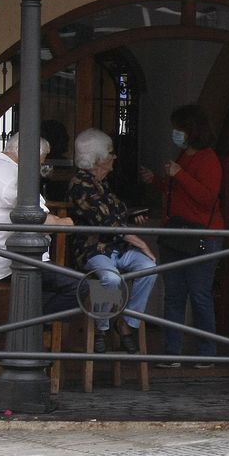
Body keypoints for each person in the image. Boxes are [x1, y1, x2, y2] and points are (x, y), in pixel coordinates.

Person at [141, 104, 224, 366]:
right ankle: (172, 352)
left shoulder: (208, 158)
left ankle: (207, 352)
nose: (175, 133)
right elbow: (177, 191)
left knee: (199, 295)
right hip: (176, 233)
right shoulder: (185, 155)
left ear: (191, 130)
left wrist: (180, 175)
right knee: (174, 295)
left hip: (201, 236)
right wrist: (157, 180)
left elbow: (207, 198)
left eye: (179, 128)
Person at [0, 132, 80, 315]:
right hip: (8, 262)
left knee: (50, 288)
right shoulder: (12, 175)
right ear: (28, 155)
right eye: (40, 161)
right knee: (80, 286)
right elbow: (40, 219)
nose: (39, 167)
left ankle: (27, 320)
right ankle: (27, 321)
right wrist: (64, 222)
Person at [68, 128, 158, 354]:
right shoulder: (81, 184)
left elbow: (114, 215)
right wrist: (140, 243)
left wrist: (132, 217)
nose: (114, 157)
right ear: (99, 159)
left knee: (149, 268)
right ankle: (102, 328)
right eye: (110, 152)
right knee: (110, 279)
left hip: (117, 247)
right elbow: (106, 221)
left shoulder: (102, 183)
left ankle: (127, 323)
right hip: (93, 249)